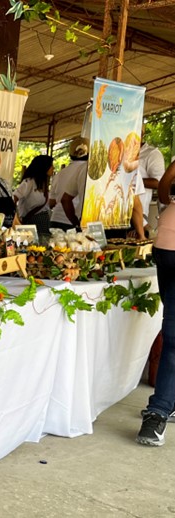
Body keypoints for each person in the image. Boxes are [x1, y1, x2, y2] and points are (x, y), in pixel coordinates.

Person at [138, 157, 175, 446]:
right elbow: (164, 192)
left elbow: (164, 193)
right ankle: (162, 406)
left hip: (167, 243)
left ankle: (162, 407)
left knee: (173, 330)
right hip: (168, 248)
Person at [50, 138, 89, 231]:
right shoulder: (87, 171)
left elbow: (52, 202)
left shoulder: (60, 173)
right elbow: (66, 200)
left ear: (70, 154)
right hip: (74, 220)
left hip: (56, 219)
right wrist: (76, 223)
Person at [13, 155, 55, 237]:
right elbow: (14, 198)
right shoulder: (29, 182)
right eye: (51, 165)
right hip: (32, 221)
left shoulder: (43, 183)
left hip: (44, 221)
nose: (53, 168)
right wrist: (16, 218)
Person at [139, 138, 165, 228]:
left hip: (138, 216)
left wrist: (133, 181)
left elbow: (159, 183)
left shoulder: (152, 153)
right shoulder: (121, 152)